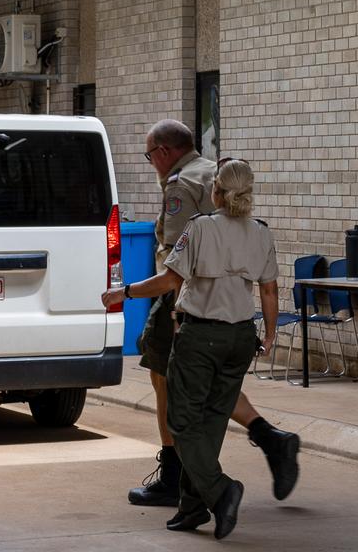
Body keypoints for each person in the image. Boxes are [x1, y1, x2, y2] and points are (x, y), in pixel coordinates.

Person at [126, 120, 298, 508]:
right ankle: (271, 440)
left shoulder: (180, 185)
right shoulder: (212, 172)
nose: (151, 162)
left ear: (164, 152)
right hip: (232, 309)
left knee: (168, 381)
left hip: (187, 300)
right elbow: (268, 284)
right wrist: (269, 334)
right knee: (210, 385)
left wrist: (135, 296)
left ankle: (178, 478)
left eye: (150, 155)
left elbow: (173, 265)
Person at [104, 159, 277, 538]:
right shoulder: (261, 233)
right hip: (240, 338)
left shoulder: (200, 228)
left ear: (216, 191)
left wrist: (126, 292)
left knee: (182, 422)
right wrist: (269, 336)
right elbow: (268, 289)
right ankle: (192, 508)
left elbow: (169, 279)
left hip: (201, 338)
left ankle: (221, 490)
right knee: (211, 423)